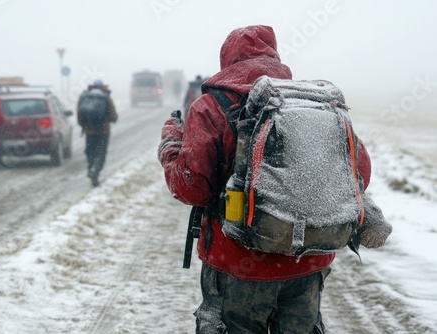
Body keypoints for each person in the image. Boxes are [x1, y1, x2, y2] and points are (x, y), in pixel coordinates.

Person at [158, 25, 388, 333]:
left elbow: (192, 188)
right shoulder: (310, 105)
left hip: (237, 265)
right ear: (274, 57)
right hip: (307, 263)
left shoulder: (212, 107)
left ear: (227, 60)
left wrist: (171, 145)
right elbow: (361, 174)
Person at [77, 79, 118, 187]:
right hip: (103, 131)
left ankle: (91, 167)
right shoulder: (105, 97)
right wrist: (110, 120)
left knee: (90, 151)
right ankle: (96, 170)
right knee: (100, 152)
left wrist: (84, 124)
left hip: (89, 131)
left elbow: (79, 113)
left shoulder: (85, 96)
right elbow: (113, 115)